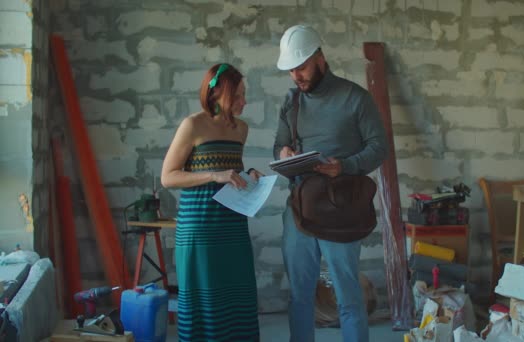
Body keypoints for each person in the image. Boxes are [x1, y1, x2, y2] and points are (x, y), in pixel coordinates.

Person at [273, 25, 389, 342]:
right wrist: (283, 153)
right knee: (300, 297)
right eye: (291, 70)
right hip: (299, 210)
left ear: (320, 58)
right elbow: (277, 147)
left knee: (348, 297)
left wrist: (345, 166)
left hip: (341, 209)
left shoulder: (356, 99)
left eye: (302, 67)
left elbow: (380, 148)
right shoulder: (291, 102)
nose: (296, 75)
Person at [161, 63, 262, 341]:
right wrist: (214, 175)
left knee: (238, 297)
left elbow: (230, 172)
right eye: (238, 96)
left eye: (244, 95)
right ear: (216, 93)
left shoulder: (241, 129)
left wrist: (248, 175)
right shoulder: (192, 125)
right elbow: (168, 177)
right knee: (203, 303)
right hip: (200, 227)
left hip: (232, 225)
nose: (244, 101)